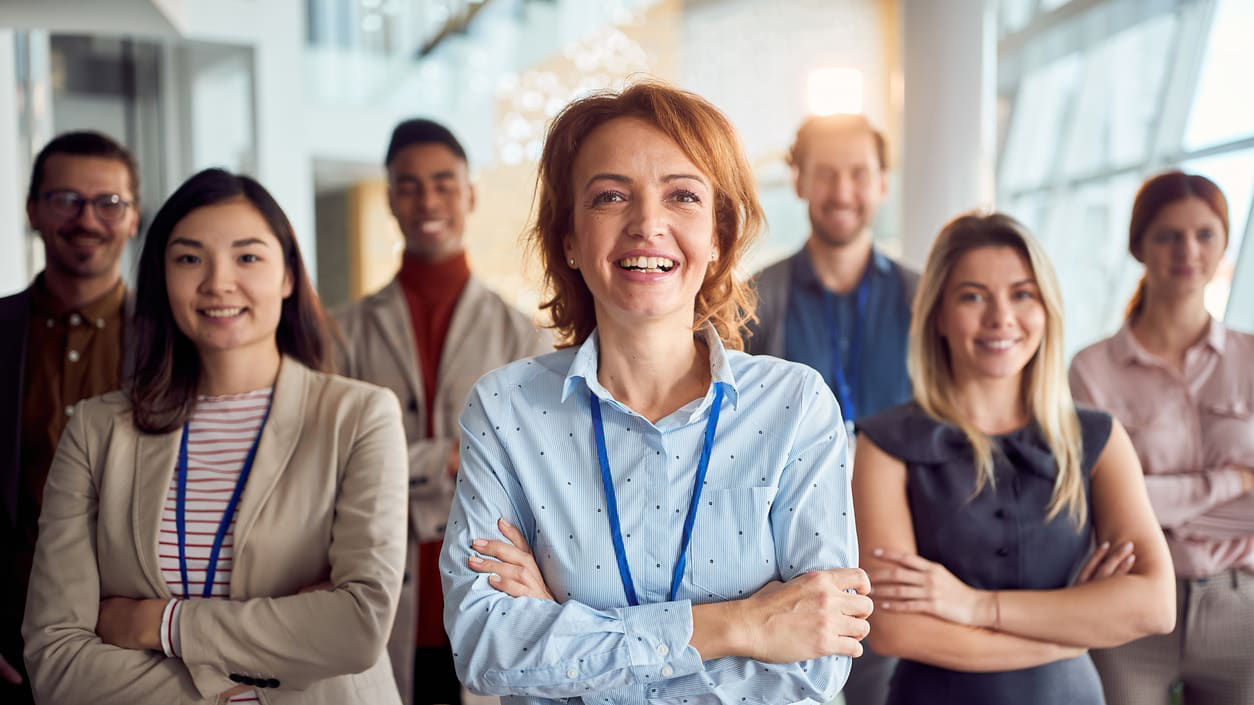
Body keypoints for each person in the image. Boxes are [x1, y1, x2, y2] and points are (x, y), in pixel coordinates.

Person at [439, 81, 873, 705]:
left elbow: (817, 663)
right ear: (569, 240)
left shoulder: (795, 406)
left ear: (718, 236)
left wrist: (563, 629)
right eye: (611, 196)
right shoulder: (505, 412)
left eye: (682, 196)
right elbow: (485, 645)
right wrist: (743, 624)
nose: (647, 224)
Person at [21, 168, 408, 704]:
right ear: (162, 277)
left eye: (248, 257)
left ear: (289, 276)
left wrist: (156, 624)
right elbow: (57, 661)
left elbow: (359, 627)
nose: (218, 282)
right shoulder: (96, 431)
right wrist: (245, 680)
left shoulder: (360, 416)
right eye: (189, 258)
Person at [853, 212, 1176, 705]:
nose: (1000, 317)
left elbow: (1154, 605)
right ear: (937, 313)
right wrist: (1077, 627)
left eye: (1022, 294)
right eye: (973, 296)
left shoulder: (1099, 438)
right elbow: (896, 630)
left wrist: (975, 606)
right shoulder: (884, 445)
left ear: (1047, 308)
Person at [333, 118, 551, 705]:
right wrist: (452, 459)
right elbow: (337, 469)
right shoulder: (343, 334)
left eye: (443, 182)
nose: (427, 199)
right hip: (379, 597)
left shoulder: (521, 336)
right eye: (408, 185)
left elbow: (529, 471)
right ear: (390, 199)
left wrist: (405, 466)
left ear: (470, 194)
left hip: (488, 592)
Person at [747, 114, 916, 705]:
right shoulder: (753, 300)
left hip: (896, 551)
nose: (842, 192)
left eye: (858, 174)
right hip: (783, 563)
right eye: (825, 175)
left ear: (883, 183)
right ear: (798, 182)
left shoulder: (924, 301)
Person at [1070, 171, 1254, 705]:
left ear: (1224, 243)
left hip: (1242, 608)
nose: (1188, 250)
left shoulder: (1250, 359)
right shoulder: (1092, 370)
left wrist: (1150, 501)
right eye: (1168, 235)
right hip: (1131, 608)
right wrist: (1234, 481)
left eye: (1205, 235)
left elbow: (1131, 506)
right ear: (1139, 245)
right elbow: (1097, 504)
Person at [0, 130, 141, 705]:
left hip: (133, 654)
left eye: (109, 203)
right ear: (33, 211)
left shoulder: (176, 345)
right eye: (66, 200)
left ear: (133, 219)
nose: (88, 219)